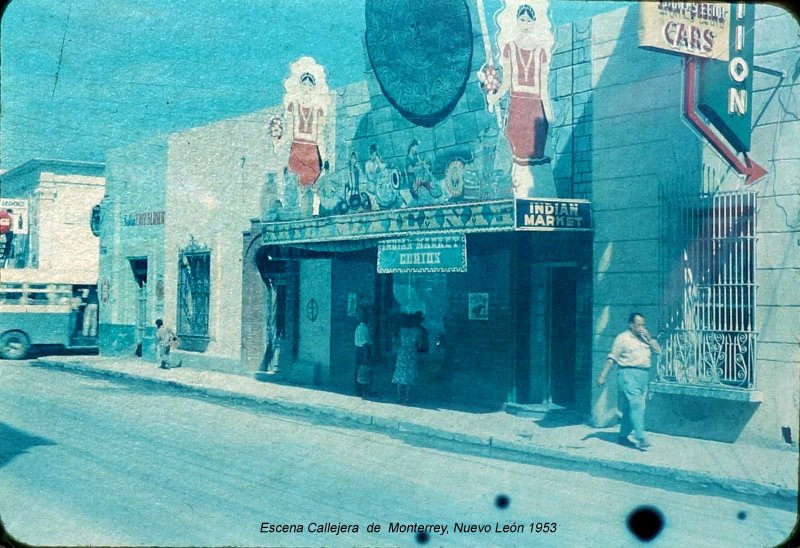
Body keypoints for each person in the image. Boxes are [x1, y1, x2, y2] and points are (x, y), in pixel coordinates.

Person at [487, 2, 554, 197]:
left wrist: (550, 118)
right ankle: (514, 198)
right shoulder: (510, 48)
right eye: (522, 19)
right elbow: (507, 82)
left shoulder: (541, 51)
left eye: (528, 20)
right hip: (517, 108)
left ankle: (538, 198)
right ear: (517, 21)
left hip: (535, 112)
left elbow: (543, 89)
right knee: (514, 159)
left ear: (534, 23)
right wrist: (494, 97)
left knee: (536, 161)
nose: (525, 23)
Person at [596, 312, 661, 451]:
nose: (641, 327)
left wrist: (649, 338)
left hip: (643, 375)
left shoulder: (645, 338)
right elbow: (612, 358)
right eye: (638, 325)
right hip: (628, 374)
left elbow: (658, 350)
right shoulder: (622, 338)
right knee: (637, 406)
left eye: (643, 325)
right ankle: (640, 437)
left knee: (629, 408)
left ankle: (623, 436)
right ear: (630, 325)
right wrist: (602, 375)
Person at [392, 312, 424, 403]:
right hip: (411, 352)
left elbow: (397, 342)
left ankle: (398, 396)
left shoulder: (402, 330)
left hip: (402, 352)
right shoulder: (418, 331)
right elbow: (420, 345)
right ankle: (407, 397)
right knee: (410, 374)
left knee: (399, 374)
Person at [354, 310, 373, 398]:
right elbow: (365, 343)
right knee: (364, 370)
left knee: (358, 370)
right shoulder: (364, 328)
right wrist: (366, 356)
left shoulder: (358, 327)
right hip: (363, 350)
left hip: (358, 350)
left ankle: (358, 390)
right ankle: (363, 391)